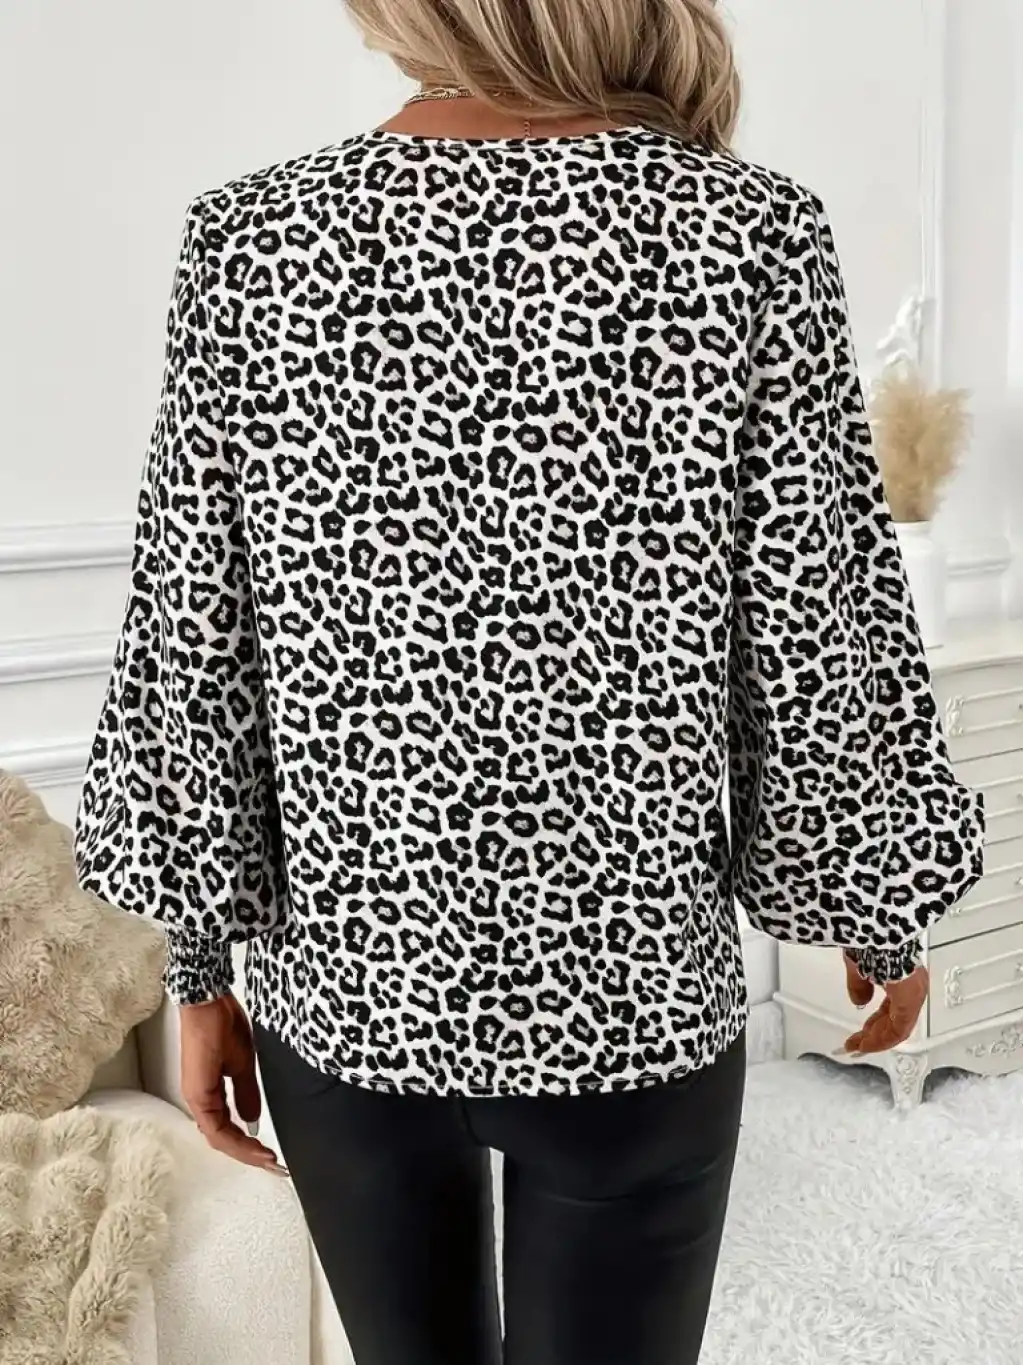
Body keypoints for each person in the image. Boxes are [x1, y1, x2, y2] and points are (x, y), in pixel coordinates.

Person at [74, 1, 986, 1361]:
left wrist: (200, 973)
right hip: (631, 1003)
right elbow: (816, 632)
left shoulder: (251, 239)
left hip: (349, 1000)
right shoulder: (748, 232)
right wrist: (877, 912)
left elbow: (194, 641)